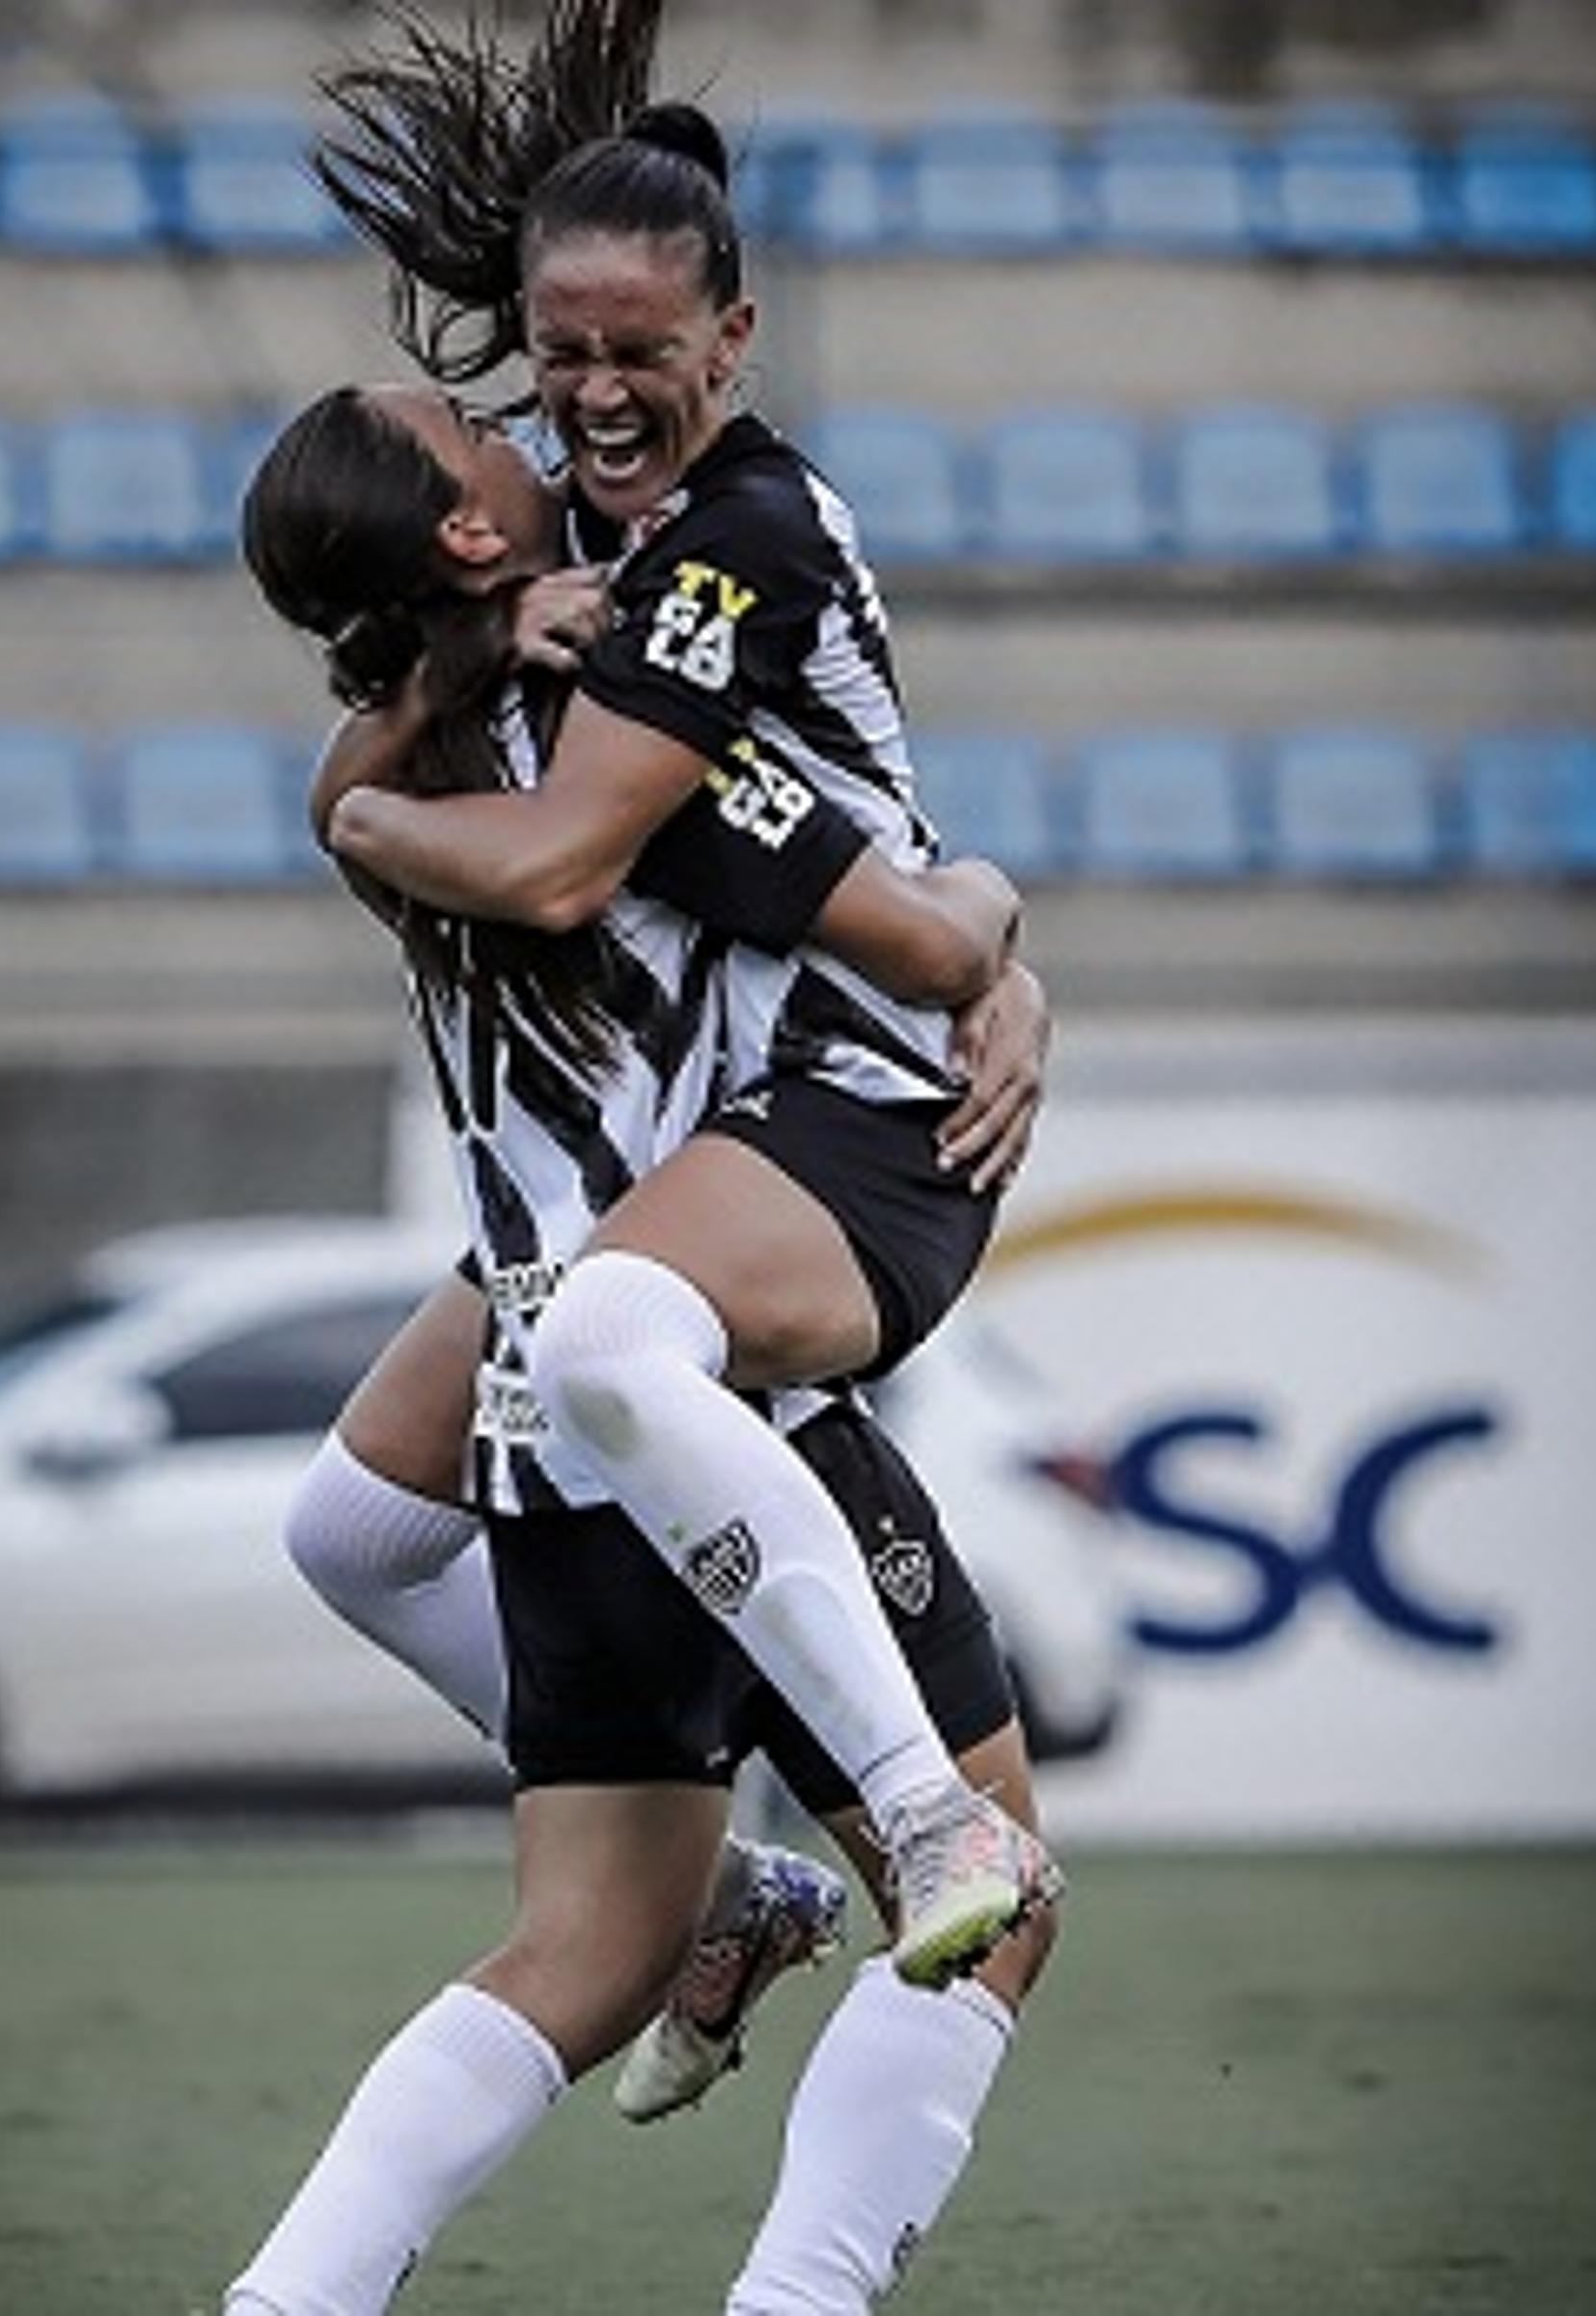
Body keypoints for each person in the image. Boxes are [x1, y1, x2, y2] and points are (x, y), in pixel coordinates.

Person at [226, 396, 1059, 2316]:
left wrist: (391, 746)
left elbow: (357, 803)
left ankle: (288, 2301)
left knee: (569, 1944)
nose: (524, 425)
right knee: (1001, 1896)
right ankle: (800, 2278)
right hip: (711, 1403)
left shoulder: (398, 790)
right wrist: (1005, 956)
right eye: (471, 431)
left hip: (541, 1427)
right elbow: (922, 929)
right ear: (459, 536)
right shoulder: (644, 749)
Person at [285, 18, 1054, 1992]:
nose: (589, 405)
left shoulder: (723, 559)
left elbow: (875, 913)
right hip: (632, 1166)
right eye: (559, 367)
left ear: (734, 336)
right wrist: (444, 676)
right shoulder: (548, 553)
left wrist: (993, 951)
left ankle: (884, 1813)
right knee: (355, 1529)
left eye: (638, 356)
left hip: (793, 1134)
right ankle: (726, 1884)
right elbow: (357, 791)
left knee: (629, 1348)